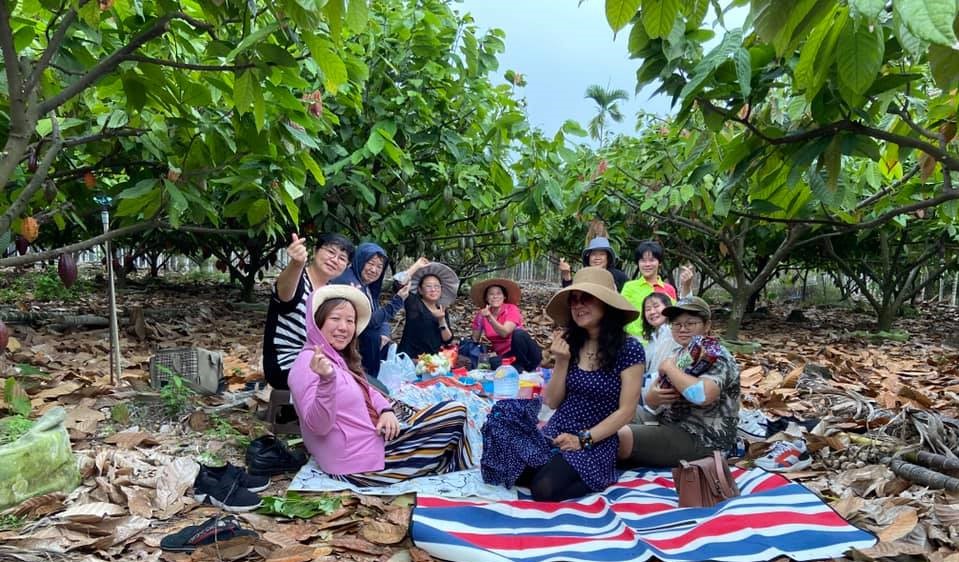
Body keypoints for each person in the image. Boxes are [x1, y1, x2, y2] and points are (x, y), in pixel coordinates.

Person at [483, 267, 645, 501]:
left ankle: (601, 474)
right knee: (508, 458)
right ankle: (555, 465)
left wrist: (582, 440)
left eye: (586, 299)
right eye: (574, 300)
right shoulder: (571, 342)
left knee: (544, 489)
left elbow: (626, 411)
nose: (578, 306)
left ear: (606, 304)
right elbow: (552, 401)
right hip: (557, 431)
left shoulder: (629, 349)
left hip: (595, 439)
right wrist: (562, 360)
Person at [288, 285, 472, 486]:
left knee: (405, 407)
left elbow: (366, 389)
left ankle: (442, 463)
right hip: (358, 466)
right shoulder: (308, 365)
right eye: (335, 319)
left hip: (371, 441)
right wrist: (326, 382)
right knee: (455, 413)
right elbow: (318, 426)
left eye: (350, 321)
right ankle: (455, 471)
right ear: (316, 322)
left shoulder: (334, 357)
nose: (344, 327)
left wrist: (386, 411)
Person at [617, 296, 741, 467]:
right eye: (677, 324)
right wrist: (654, 397)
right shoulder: (679, 353)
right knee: (610, 414)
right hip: (667, 424)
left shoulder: (716, 354)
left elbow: (702, 395)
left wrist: (669, 368)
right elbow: (651, 401)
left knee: (618, 437)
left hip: (703, 439)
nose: (682, 329)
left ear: (707, 325)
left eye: (690, 323)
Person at [263, 232, 353, 390]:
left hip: (319, 362)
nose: (335, 260)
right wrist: (296, 264)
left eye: (342, 258)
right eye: (331, 252)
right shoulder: (298, 280)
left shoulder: (330, 293)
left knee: (372, 387)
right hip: (287, 365)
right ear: (315, 251)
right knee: (348, 388)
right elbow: (284, 293)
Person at [332, 243, 430, 378]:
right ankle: (367, 382)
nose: (374, 270)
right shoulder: (350, 283)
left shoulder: (366, 286)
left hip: (365, 346)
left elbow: (377, 309)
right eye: (370, 263)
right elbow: (368, 321)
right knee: (373, 337)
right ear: (359, 260)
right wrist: (397, 301)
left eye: (379, 266)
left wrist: (384, 332)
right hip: (347, 347)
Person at [621, 240, 694, 337]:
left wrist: (686, 286)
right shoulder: (629, 287)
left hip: (664, 343)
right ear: (638, 263)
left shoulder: (669, 289)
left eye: (652, 260)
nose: (647, 264)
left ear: (659, 263)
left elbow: (679, 315)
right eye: (643, 260)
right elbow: (620, 316)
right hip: (635, 343)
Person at [469, 278, 542, 372]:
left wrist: (489, 318)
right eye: (491, 294)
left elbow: (505, 332)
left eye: (499, 293)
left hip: (527, 354)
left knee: (518, 334)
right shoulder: (482, 314)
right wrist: (479, 320)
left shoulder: (512, 309)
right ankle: (518, 368)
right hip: (508, 357)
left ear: (504, 297)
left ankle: (523, 366)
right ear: (486, 298)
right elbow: (475, 340)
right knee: (491, 362)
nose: (495, 296)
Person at [397, 263, 459, 358]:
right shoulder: (414, 304)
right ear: (420, 290)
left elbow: (447, 340)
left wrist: (441, 320)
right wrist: (416, 266)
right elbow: (398, 284)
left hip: (431, 362)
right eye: (428, 286)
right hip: (410, 359)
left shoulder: (441, 309)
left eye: (437, 286)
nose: (433, 289)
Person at [637, 292, 675, 410]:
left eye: (656, 306)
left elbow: (686, 310)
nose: (652, 312)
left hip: (667, 392)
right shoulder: (651, 339)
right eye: (647, 309)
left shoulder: (673, 331)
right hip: (650, 391)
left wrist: (686, 287)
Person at [559, 236, 628, 291]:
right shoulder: (583, 275)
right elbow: (571, 296)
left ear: (608, 257)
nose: (597, 257)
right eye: (594, 254)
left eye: (602, 254)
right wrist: (566, 275)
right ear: (588, 257)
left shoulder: (619, 277)